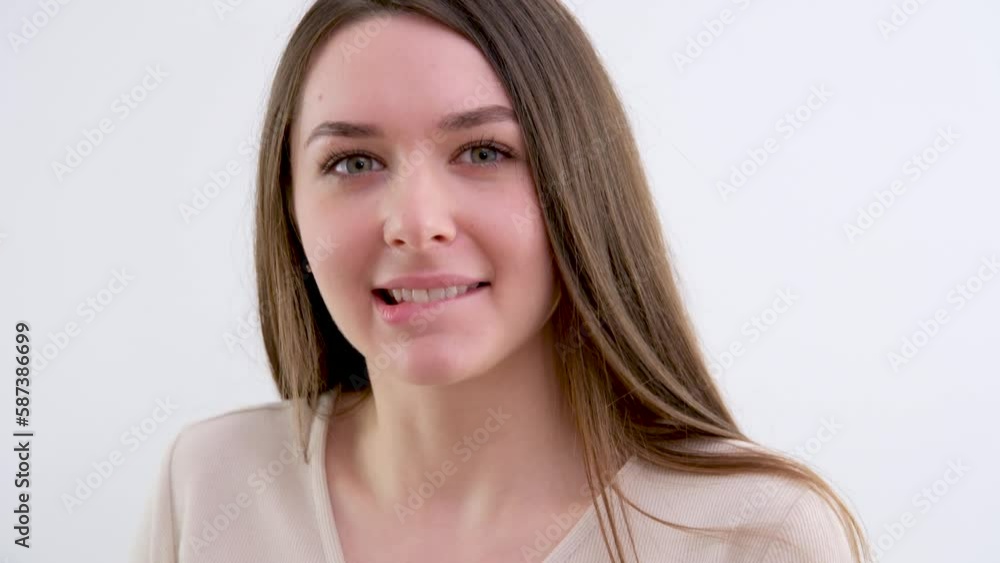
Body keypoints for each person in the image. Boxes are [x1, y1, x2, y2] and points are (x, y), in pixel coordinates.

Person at [130, 1, 870, 561]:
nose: (415, 223)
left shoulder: (759, 536)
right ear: (289, 209)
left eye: (483, 151)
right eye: (353, 163)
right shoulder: (208, 485)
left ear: (583, 188)